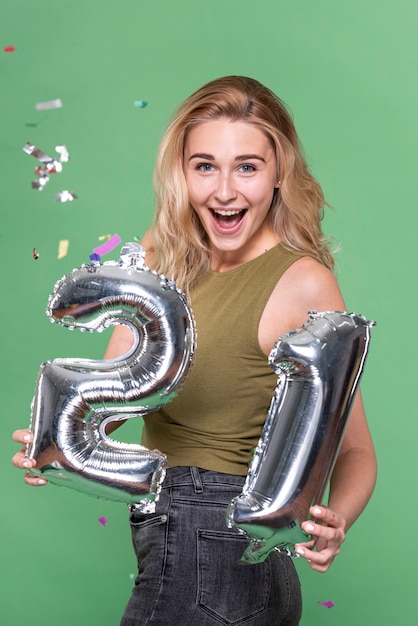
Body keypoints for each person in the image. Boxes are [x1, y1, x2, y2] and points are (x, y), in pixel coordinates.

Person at [12, 76, 377, 625]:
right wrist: (59, 443)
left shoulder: (303, 283)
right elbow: (109, 400)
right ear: (181, 172)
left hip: (220, 555)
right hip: (181, 545)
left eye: (247, 167)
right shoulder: (163, 256)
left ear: (278, 173)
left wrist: (335, 521)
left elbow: (355, 452)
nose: (224, 191)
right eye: (205, 165)